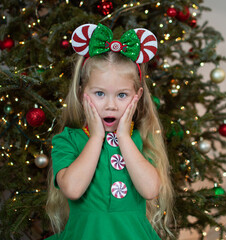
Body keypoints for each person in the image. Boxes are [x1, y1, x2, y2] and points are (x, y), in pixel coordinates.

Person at [46, 23, 174, 240]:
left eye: (122, 95)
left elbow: (151, 190)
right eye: (99, 94)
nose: (111, 105)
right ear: (81, 93)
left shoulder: (140, 139)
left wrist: (124, 137)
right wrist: (96, 137)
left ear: (138, 96)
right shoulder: (68, 140)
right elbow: (73, 189)